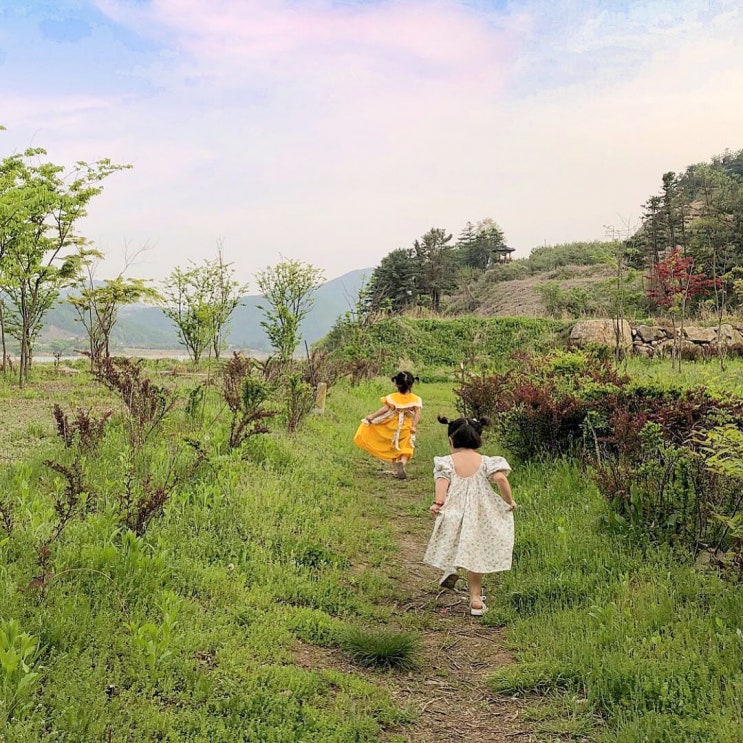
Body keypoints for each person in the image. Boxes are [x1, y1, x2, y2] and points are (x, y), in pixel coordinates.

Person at [423, 415, 516, 616]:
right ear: (478, 439)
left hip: (454, 510)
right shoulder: (486, 462)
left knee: (453, 541)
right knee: (476, 554)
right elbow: (500, 478)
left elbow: (441, 481)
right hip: (480, 513)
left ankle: (452, 567)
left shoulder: (446, 462)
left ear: (451, 440)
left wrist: (438, 502)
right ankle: (475, 599)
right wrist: (509, 501)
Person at [353, 371, 422, 480]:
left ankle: (396, 469)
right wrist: (414, 425)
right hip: (406, 426)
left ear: (396, 384)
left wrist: (372, 416)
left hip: (393, 425)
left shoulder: (392, 397)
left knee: (393, 446)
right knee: (406, 446)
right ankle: (402, 463)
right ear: (412, 384)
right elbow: (417, 413)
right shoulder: (415, 399)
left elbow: (384, 409)